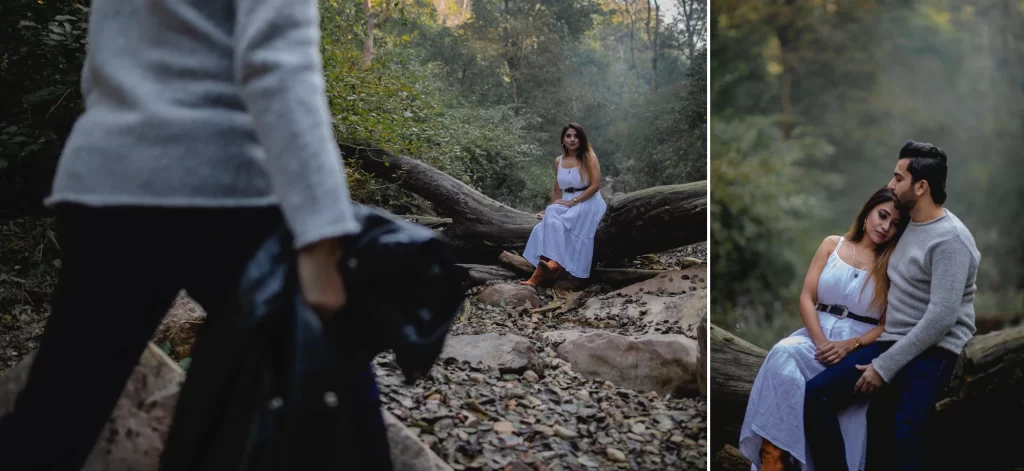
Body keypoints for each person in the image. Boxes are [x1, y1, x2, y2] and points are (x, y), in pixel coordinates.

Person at [0, 0, 373, 469]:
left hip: (107, 180)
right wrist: (321, 237)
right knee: (336, 382)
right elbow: (280, 64)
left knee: (57, 415)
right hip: (225, 188)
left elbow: (108, 59)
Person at [804, 140, 980, 471]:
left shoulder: (951, 240)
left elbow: (942, 318)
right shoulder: (909, 224)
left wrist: (885, 367)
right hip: (893, 340)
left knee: (904, 431)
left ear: (921, 186)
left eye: (898, 178)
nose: (890, 184)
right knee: (818, 395)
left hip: (936, 349)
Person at [739, 186, 909, 471]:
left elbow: (887, 325)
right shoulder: (833, 244)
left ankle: (788, 459)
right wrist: (820, 342)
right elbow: (807, 297)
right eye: (882, 216)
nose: (885, 227)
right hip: (816, 336)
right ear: (867, 212)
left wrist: (850, 345)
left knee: (824, 397)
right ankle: (775, 459)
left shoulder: (891, 265)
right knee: (783, 353)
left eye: (894, 224)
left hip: (859, 345)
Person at [521, 123, 608, 286]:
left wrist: (572, 201)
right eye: (568, 136)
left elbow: (595, 185)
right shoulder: (558, 161)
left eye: (576, 136)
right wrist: (551, 213)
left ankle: (550, 266)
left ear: (581, 139)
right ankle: (549, 267)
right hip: (566, 202)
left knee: (554, 216)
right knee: (543, 226)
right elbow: (556, 190)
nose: (572, 139)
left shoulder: (589, 157)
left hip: (587, 201)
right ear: (563, 139)